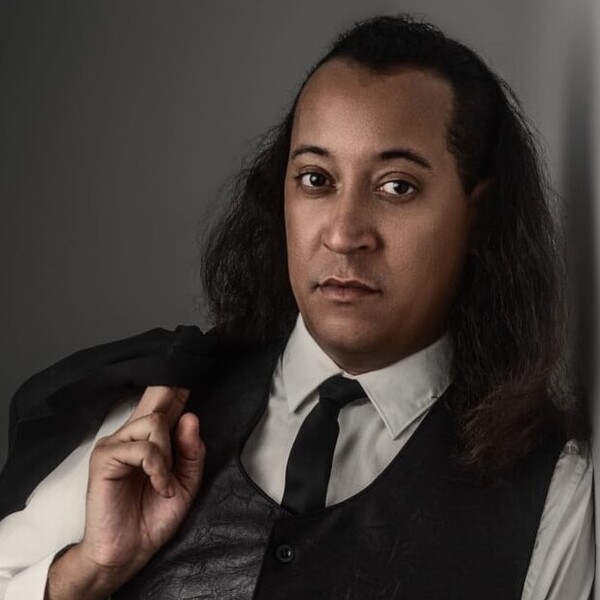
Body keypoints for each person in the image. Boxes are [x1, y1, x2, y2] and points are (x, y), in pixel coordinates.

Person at [0, 14, 594, 600]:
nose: (343, 233)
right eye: (315, 179)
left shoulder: (552, 492)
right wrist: (88, 572)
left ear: (478, 217)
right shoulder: (153, 410)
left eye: (397, 186)